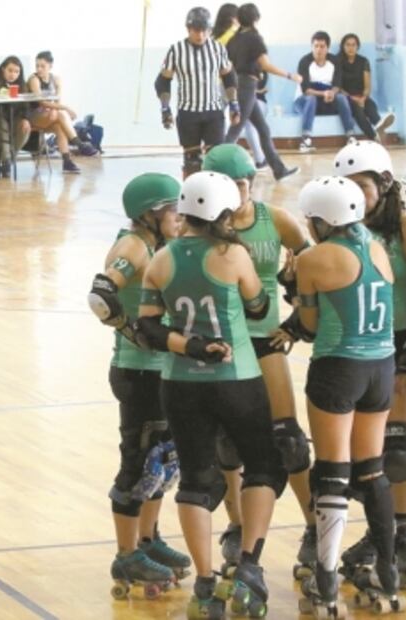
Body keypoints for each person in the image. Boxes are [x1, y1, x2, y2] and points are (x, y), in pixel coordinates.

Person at [136, 172, 286, 619]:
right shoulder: (233, 254)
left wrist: (192, 345)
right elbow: (258, 307)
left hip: (181, 384)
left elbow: (147, 328)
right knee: (263, 466)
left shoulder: (161, 259)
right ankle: (248, 568)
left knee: (198, 481)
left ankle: (204, 583)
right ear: (223, 214)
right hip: (237, 378)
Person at [281, 176, 402, 617]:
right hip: (381, 368)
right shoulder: (377, 247)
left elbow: (309, 328)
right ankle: (388, 573)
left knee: (331, 472)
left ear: (319, 219)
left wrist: (292, 281)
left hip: (338, 369)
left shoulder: (315, 258)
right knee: (372, 469)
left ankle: (326, 580)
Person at [200, 144, 315, 578]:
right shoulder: (206, 227)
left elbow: (311, 264)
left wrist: (299, 315)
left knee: (288, 440)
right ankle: (237, 526)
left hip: (266, 338)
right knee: (228, 444)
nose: (241, 191)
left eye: (245, 182)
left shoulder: (276, 220)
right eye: (232, 184)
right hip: (223, 345)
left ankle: (314, 526)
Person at [333, 141, 406, 591]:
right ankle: (380, 536)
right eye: (347, 187)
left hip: (399, 342)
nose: (354, 194)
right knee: (361, 458)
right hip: (355, 347)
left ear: (386, 184)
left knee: (396, 449)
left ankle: (405, 537)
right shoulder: (338, 228)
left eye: (362, 186)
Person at [87, 173, 191, 599]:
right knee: (139, 464)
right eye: (172, 210)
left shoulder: (156, 243)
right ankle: (126, 552)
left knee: (162, 462)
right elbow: (100, 294)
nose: (180, 218)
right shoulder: (133, 245)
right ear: (150, 214)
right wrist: (133, 331)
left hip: (158, 368)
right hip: (137, 371)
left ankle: (148, 540)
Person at [155, 8, 240, 178]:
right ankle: (192, 199)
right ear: (188, 29)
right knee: (191, 161)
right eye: (196, 30)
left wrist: (233, 104)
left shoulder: (218, 49)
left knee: (216, 160)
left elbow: (229, 77)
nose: (200, 35)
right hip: (188, 113)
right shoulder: (176, 50)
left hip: (214, 111)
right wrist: (165, 109)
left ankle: (216, 200)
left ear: (209, 30)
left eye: (204, 31)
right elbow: (163, 81)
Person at [224, 3, 300, 180]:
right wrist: (290, 75)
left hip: (239, 85)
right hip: (247, 87)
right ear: (256, 19)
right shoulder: (254, 38)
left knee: (263, 129)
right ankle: (217, 169)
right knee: (235, 131)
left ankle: (279, 170)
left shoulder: (234, 39)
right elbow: (265, 65)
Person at [28, 50, 99, 175]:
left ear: (50, 66)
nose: (39, 69)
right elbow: (42, 103)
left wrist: (60, 108)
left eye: (42, 66)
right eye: (37, 65)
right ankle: (79, 144)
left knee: (59, 126)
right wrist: (66, 108)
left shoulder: (56, 79)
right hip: (34, 116)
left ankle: (67, 161)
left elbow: (58, 101)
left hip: (51, 115)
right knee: (60, 114)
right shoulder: (33, 79)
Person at [293, 31, 357, 153]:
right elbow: (306, 90)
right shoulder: (305, 62)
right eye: (315, 46)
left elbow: (337, 84)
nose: (318, 50)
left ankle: (350, 136)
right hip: (304, 102)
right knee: (311, 99)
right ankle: (305, 139)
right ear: (312, 47)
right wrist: (324, 94)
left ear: (327, 48)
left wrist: (332, 93)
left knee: (341, 98)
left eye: (322, 46)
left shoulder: (334, 61)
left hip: (325, 101)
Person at [337, 34, 395, 142]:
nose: (350, 48)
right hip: (346, 98)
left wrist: (363, 98)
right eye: (348, 45)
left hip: (361, 96)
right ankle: (373, 136)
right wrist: (354, 99)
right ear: (343, 46)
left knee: (371, 105)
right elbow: (338, 87)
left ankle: (379, 125)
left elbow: (367, 86)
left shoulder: (363, 61)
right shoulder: (338, 62)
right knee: (358, 110)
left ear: (357, 47)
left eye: (353, 45)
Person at [0, 56, 32, 178]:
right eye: (10, 70)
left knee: (25, 128)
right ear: (3, 69)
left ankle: (9, 158)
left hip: (16, 116)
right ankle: (7, 161)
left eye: (16, 71)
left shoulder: (22, 84)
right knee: (3, 126)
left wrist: (26, 119)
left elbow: (27, 105)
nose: (13, 74)